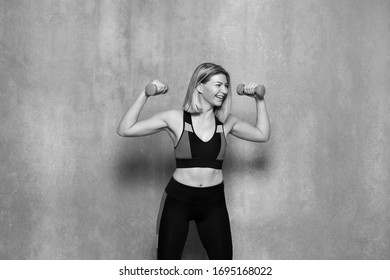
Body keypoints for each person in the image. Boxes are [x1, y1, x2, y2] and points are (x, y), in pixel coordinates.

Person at [117, 62, 270, 260]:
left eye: (226, 86)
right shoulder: (175, 118)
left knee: (224, 266)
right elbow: (125, 129)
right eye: (218, 85)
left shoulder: (226, 122)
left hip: (214, 203)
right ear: (200, 86)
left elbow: (262, 135)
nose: (224, 90)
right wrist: (145, 94)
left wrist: (259, 100)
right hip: (179, 200)